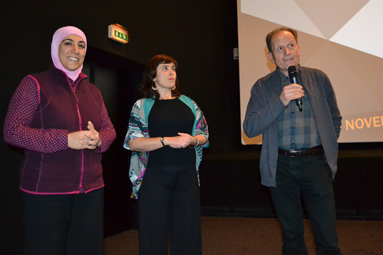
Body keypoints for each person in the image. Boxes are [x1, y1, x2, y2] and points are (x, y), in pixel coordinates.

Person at [3, 26, 116, 255]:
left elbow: (110, 129)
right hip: (46, 194)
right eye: (68, 43)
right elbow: (12, 131)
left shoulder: (94, 92)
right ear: (56, 47)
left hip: (91, 193)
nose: (75, 50)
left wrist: (99, 139)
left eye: (81, 45)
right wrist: (66, 140)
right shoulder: (34, 83)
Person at [243, 27, 342, 255]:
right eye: (279, 48)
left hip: (317, 165)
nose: (287, 52)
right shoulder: (262, 86)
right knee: (292, 238)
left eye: (291, 45)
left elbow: (334, 118)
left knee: (327, 237)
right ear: (271, 56)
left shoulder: (319, 78)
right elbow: (250, 128)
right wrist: (280, 100)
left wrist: (326, 144)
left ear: (298, 48)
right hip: (281, 168)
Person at [123, 54, 209, 255]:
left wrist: (194, 140)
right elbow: (133, 142)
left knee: (188, 234)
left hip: (187, 176)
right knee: (154, 235)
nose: (171, 72)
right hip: (154, 177)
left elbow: (204, 134)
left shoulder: (189, 103)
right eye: (165, 68)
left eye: (173, 68)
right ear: (153, 76)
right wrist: (167, 140)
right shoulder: (142, 105)